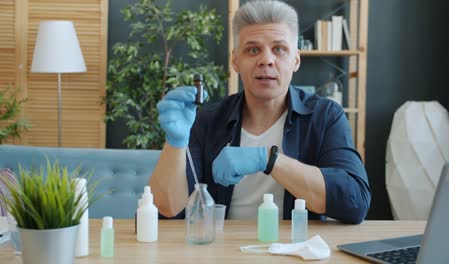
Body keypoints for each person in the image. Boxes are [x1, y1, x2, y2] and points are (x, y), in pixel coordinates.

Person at [149, 0, 371, 224]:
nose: (266, 60)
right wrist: (175, 143)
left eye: (279, 49)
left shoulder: (326, 116)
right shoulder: (206, 120)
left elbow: (355, 203)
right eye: (253, 50)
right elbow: (167, 209)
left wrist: (268, 159)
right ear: (236, 60)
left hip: (295, 252)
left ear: (296, 60)